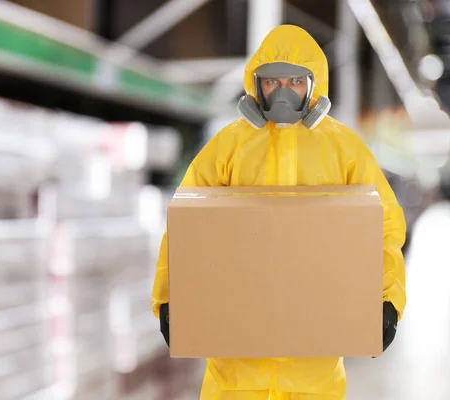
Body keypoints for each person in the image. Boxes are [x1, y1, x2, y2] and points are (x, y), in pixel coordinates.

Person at [151, 24, 406, 400]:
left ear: (313, 84)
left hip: (313, 366)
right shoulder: (227, 148)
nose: (283, 92)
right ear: (256, 85)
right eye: (272, 82)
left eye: (295, 81)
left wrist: (388, 299)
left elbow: (382, 227)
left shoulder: (344, 150)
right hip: (235, 366)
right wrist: (170, 297)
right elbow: (186, 227)